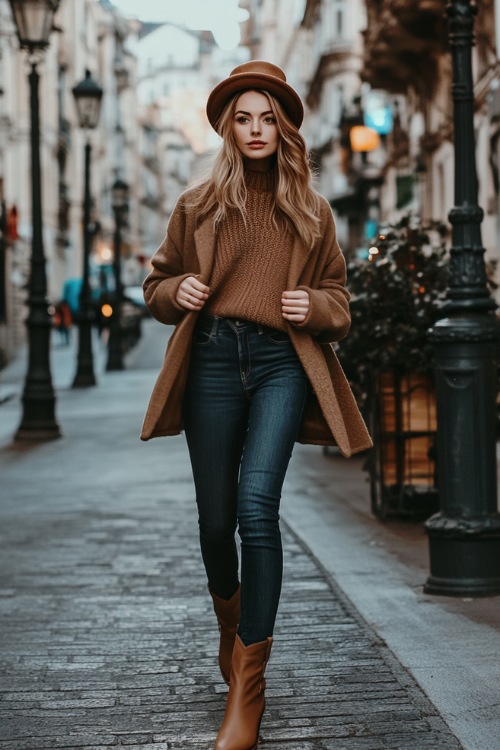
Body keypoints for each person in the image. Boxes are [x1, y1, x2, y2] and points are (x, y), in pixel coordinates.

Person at [141, 61, 372, 750]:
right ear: (226, 128)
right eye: (242, 118)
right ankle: (229, 629)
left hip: (280, 363)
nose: (255, 130)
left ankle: (249, 686)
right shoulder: (197, 204)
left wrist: (319, 306)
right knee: (216, 524)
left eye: (267, 118)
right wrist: (175, 290)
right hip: (212, 360)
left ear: (284, 126)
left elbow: (339, 299)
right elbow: (156, 284)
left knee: (254, 510)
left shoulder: (311, 209)